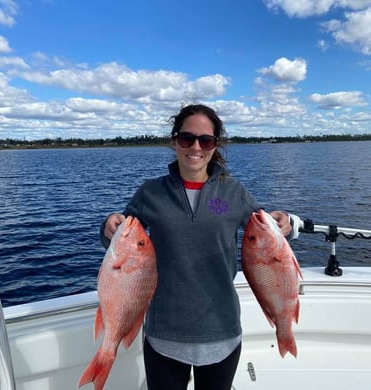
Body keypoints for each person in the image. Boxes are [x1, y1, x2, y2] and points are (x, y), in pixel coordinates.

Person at [100, 104, 294, 390]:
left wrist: (284, 220)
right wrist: (109, 224)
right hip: (163, 335)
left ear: (215, 145)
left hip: (221, 332)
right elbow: (121, 239)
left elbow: (266, 231)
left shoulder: (234, 192)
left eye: (206, 140)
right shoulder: (150, 192)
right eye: (187, 138)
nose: (196, 147)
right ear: (174, 141)